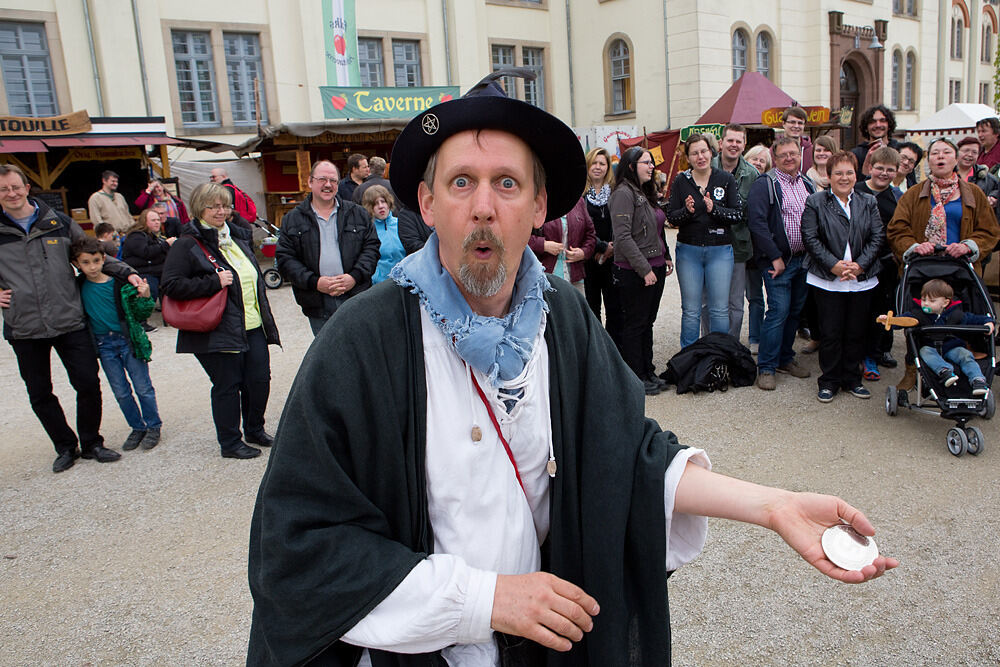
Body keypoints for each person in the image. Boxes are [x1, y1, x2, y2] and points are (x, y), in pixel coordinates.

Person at [246, 69, 896, 667]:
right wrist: (485, 598)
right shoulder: (363, 341)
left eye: (507, 183)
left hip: (543, 649)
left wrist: (772, 504)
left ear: (538, 207)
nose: (482, 205)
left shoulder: (560, 315)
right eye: (461, 181)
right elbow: (298, 544)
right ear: (427, 200)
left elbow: (633, 456)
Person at [0, 163, 139, 472]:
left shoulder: (58, 223)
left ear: (26, 188)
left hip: (69, 321)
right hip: (24, 326)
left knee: (88, 382)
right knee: (40, 393)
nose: (11, 193)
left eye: (15, 186)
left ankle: (92, 442)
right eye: (4, 189)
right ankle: (65, 445)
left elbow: (94, 254)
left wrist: (128, 274)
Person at [160, 182, 280, 459]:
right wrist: (212, 281)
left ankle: (254, 429)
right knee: (228, 385)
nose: (220, 211)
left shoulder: (236, 237)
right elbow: (171, 285)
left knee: (259, 380)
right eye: (213, 206)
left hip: (252, 325)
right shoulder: (188, 243)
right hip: (217, 329)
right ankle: (230, 442)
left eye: (225, 205)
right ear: (199, 208)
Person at [887, 137, 1000, 390]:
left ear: (956, 158)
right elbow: (896, 229)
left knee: (959, 320)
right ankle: (912, 370)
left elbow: (990, 231)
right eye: (935, 153)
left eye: (946, 152)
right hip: (923, 270)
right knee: (920, 322)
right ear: (929, 160)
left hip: (961, 270)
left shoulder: (974, 194)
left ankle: (964, 372)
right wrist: (915, 246)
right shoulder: (914, 194)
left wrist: (969, 245)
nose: (940, 157)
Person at [801, 151, 883, 403]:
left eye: (849, 172)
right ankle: (829, 381)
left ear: (856, 175)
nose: (844, 177)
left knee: (856, 331)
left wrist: (859, 265)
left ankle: (851, 378)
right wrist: (834, 265)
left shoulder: (868, 201)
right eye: (838, 173)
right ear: (829, 176)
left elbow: (877, 236)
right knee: (831, 331)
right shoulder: (816, 202)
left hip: (861, 277)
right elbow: (810, 237)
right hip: (827, 278)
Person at [71, 237, 163, 451]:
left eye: (96, 260)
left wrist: (145, 297)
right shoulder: (78, 287)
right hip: (104, 345)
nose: (92, 267)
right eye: (85, 262)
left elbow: (141, 312)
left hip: (127, 341)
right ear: (76, 264)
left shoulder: (120, 284)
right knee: (120, 390)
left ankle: (153, 425)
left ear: (104, 259)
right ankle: (136, 426)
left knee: (143, 387)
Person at [275, 159, 381, 335]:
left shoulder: (357, 213)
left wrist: (354, 277)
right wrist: (314, 282)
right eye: (322, 179)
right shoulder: (292, 219)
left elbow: (371, 248)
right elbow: (285, 259)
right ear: (310, 182)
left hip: (355, 296)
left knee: (362, 352)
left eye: (333, 180)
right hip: (318, 302)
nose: (328, 185)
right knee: (328, 357)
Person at [747, 136, 818, 390]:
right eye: (784, 155)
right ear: (774, 158)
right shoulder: (765, 184)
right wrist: (775, 257)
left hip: (804, 261)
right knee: (777, 312)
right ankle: (766, 367)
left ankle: (785, 358)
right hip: (778, 262)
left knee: (795, 313)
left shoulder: (807, 183)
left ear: (800, 156)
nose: (789, 158)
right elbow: (757, 224)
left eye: (793, 154)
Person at [666, 134, 741, 348]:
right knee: (691, 310)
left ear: (711, 152)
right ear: (688, 158)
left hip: (720, 250)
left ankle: (718, 357)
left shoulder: (725, 179)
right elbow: (672, 217)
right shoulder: (681, 181)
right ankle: (689, 358)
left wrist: (714, 208)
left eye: (704, 151)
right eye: (695, 153)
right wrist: (687, 211)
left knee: (719, 309)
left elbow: (737, 215)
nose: (700, 156)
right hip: (689, 251)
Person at [610, 146, 674, 395]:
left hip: (655, 267)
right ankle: (635, 376)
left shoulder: (646, 192)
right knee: (635, 324)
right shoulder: (623, 194)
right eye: (646, 163)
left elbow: (657, 229)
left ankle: (648, 370)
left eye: (651, 163)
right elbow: (623, 237)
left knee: (648, 322)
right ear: (631, 166)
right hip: (635, 271)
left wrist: (665, 255)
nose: (651, 167)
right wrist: (644, 268)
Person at [878, 278, 994, 395]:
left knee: (965, 355)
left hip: (952, 347)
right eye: (923, 299)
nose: (926, 303)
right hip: (930, 347)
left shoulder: (956, 314)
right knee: (924, 352)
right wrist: (890, 320)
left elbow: (974, 319)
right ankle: (945, 371)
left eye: (932, 301)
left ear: (945, 303)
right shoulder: (917, 314)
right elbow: (903, 321)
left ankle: (977, 379)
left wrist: (988, 322)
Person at [854, 147, 904, 381]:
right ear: (870, 168)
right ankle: (855, 354)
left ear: (896, 172)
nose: (884, 173)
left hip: (885, 263)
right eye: (880, 168)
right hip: (856, 262)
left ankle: (876, 353)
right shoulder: (855, 190)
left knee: (882, 311)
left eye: (890, 170)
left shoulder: (897, 197)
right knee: (858, 312)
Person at [709, 123, 758, 341]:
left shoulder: (752, 174)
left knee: (735, 303)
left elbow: (755, 215)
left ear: (744, 144)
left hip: (738, 247)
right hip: (709, 245)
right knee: (708, 300)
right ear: (721, 143)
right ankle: (709, 346)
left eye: (739, 141)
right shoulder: (705, 168)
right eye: (730, 140)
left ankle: (731, 346)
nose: (734, 145)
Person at [580, 147, 622, 346]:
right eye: (594, 163)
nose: (598, 167)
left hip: (613, 257)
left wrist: (612, 247)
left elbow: (621, 222)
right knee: (591, 306)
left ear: (608, 168)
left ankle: (613, 350)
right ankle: (596, 348)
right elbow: (579, 227)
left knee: (615, 308)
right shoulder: (580, 194)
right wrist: (600, 246)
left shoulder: (615, 192)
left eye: (602, 164)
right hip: (589, 257)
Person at [122, 208, 177, 332]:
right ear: (144, 222)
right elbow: (145, 253)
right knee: (149, 286)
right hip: (140, 272)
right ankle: (141, 321)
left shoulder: (154, 236)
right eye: (153, 220)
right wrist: (166, 244)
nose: (157, 222)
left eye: (158, 220)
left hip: (155, 270)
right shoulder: (136, 235)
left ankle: (175, 314)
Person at [527, 197, 596, 292]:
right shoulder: (538, 200)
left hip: (575, 278)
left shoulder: (579, 201)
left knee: (576, 306)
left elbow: (591, 234)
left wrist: (583, 252)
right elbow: (519, 237)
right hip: (544, 277)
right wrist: (543, 245)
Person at [362, 185, 405, 284]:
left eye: (383, 201)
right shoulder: (368, 231)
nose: (381, 206)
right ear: (370, 207)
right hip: (379, 285)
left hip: (404, 282)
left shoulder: (401, 224)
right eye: (375, 204)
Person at [850, 105, 900, 177]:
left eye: (882, 121)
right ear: (866, 128)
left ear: (889, 125)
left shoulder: (900, 150)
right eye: (872, 122)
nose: (878, 125)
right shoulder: (856, 154)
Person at [956, 136, 1000, 215]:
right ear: (957, 152)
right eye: (966, 151)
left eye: (974, 152)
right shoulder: (947, 175)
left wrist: (994, 196)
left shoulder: (987, 178)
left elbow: (997, 190)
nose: (970, 155)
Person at [87, 170, 134, 235]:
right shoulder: (95, 198)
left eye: (116, 181)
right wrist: (110, 234)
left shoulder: (119, 196)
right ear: (104, 181)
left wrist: (133, 229)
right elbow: (97, 221)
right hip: (109, 237)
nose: (115, 184)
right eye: (113, 181)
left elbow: (128, 215)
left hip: (126, 234)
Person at [778, 106, 813, 172]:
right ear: (783, 124)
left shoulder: (812, 151)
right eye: (792, 122)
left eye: (800, 123)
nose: (796, 126)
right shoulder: (773, 151)